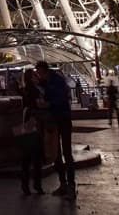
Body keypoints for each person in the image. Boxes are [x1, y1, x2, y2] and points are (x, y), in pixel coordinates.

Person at [35, 61, 76, 200]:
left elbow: (62, 98)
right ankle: (63, 184)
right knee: (56, 152)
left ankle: (71, 186)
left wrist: (49, 103)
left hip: (63, 119)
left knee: (67, 152)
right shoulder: (45, 82)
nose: (38, 75)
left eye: (39, 72)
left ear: (44, 70)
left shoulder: (57, 80)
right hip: (53, 120)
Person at [20, 68, 44, 196]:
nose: (37, 76)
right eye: (35, 75)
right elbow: (39, 104)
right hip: (34, 122)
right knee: (35, 155)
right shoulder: (34, 89)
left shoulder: (24, 89)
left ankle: (25, 184)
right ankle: (37, 185)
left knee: (27, 156)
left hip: (27, 121)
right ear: (31, 77)